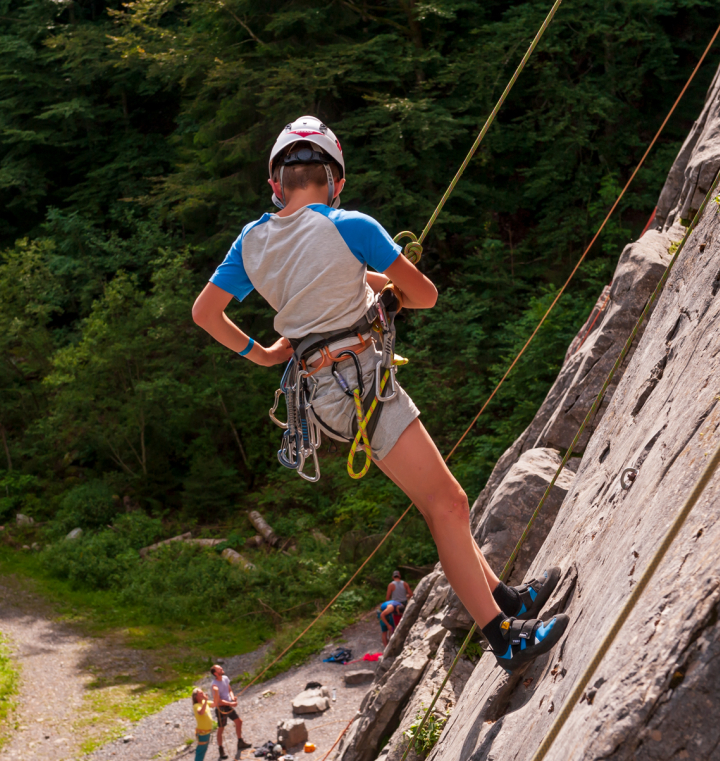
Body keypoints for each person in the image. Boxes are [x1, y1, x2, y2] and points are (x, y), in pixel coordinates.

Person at [192, 115, 568, 673]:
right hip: (362, 383)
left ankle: (507, 600)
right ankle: (503, 637)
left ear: (276, 184)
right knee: (450, 504)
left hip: (326, 391)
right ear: (336, 179)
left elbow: (206, 312)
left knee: (437, 503)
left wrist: (266, 353)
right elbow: (425, 295)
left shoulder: (253, 241)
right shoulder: (352, 224)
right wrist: (389, 290)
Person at [210, 665, 251, 758]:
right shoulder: (214, 685)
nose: (221, 669)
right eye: (219, 669)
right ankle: (221, 749)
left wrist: (233, 698)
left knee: (239, 722)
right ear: (215, 673)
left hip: (228, 706)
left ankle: (240, 742)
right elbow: (218, 700)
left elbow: (229, 690)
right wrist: (230, 704)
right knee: (221, 729)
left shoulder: (225, 678)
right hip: (221, 708)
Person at [192, 688, 214, 761]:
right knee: (200, 751)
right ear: (196, 697)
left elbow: (215, 703)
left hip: (207, 731)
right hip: (202, 733)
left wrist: (215, 692)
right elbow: (201, 712)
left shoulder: (205, 703)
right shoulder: (197, 705)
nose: (203, 694)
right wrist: (205, 701)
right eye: (200, 694)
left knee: (203, 751)